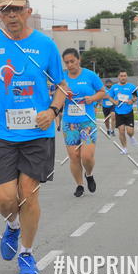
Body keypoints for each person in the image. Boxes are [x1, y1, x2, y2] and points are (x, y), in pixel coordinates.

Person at [0, 0, 66, 274]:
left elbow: (60, 86)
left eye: (17, 9)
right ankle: (12, 226)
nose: (11, 15)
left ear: (27, 11)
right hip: (2, 132)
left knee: (29, 196)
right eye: (5, 10)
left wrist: (53, 110)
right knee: (6, 199)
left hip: (37, 132)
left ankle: (27, 253)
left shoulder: (45, 45)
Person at [61, 49, 106, 197]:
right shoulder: (61, 77)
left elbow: (102, 92)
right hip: (70, 124)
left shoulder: (89, 75)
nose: (69, 65)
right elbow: (54, 95)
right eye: (66, 62)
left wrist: (92, 98)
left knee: (86, 155)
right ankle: (79, 185)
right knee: (74, 156)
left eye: (72, 61)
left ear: (78, 60)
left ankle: (89, 174)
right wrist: (62, 95)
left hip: (87, 123)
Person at [108, 71, 138, 153]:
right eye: (121, 76)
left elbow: (135, 97)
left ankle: (131, 137)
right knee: (121, 131)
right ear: (118, 77)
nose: (123, 77)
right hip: (118, 112)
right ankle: (124, 148)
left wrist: (132, 100)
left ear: (126, 76)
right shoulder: (114, 87)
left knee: (130, 131)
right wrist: (115, 102)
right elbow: (109, 97)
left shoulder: (131, 86)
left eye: (124, 76)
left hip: (128, 112)